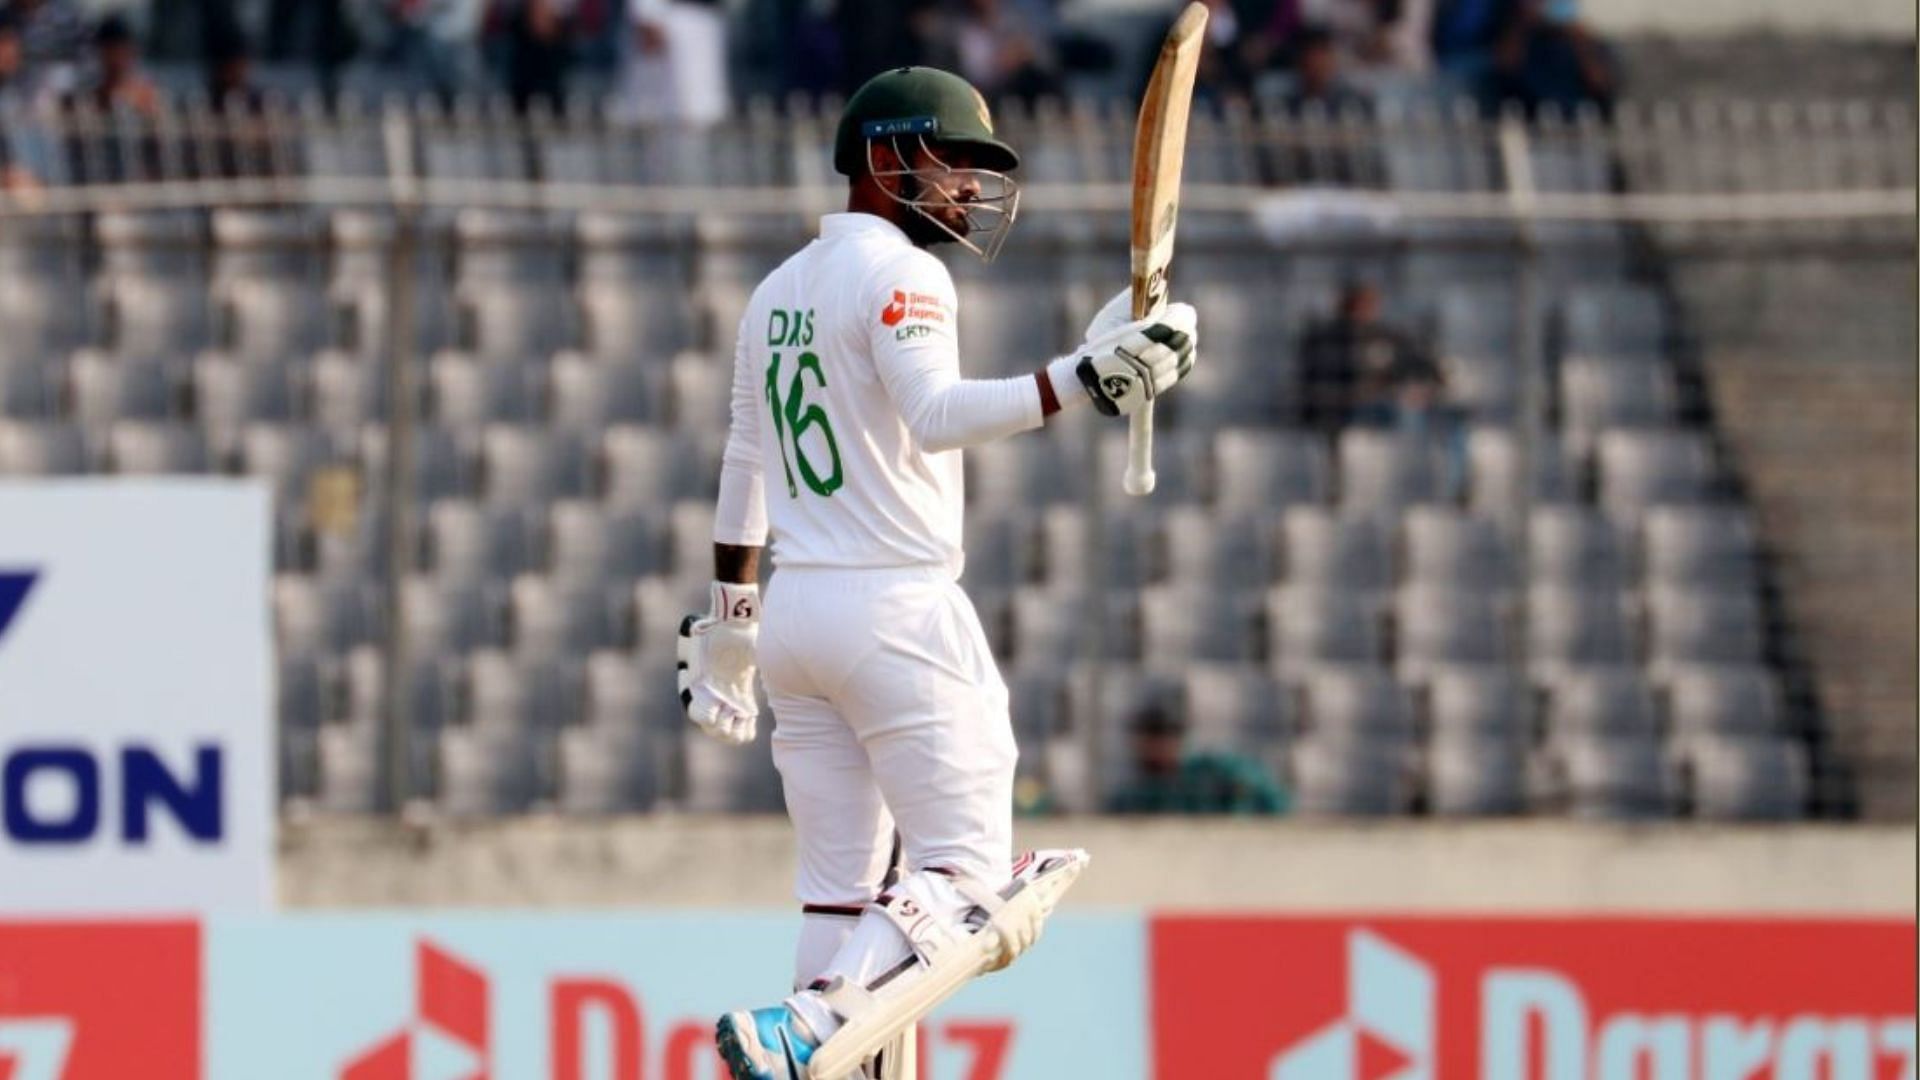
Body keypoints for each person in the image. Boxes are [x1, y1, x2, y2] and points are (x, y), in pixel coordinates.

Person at [675, 66, 1200, 1080]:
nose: (966, 186)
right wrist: (1083, 380)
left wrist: (731, 623)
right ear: (885, 159)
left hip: (798, 618)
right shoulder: (907, 276)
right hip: (895, 612)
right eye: (952, 160)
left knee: (841, 897)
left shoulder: (777, 289)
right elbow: (936, 414)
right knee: (966, 880)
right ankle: (807, 1028)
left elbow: (747, 455)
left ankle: (827, 1033)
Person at [1296, 280, 1440, 436]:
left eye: (1367, 305)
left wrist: (1413, 390)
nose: (1361, 311)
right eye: (1354, 305)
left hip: (1380, 411)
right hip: (1335, 413)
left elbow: (1422, 367)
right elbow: (1312, 381)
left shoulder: (1386, 336)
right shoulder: (1322, 338)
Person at [1106, 704, 1287, 815]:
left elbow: (1263, 792)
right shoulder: (1133, 795)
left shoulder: (1209, 773)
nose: (1155, 748)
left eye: (1162, 737)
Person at [1487, 0, 1617, 117]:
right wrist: (1523, 24)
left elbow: (1601, 85)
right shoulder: (1518, 34)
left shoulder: (1586, 41)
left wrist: (1580, 42)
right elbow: (1504, 68)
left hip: (1581, 120)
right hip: (1533, 120)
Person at [613, 0, 728, 126]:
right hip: (672, 21)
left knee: (704, 111)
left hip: (705, 21)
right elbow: (649, 33)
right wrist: (646, 13)